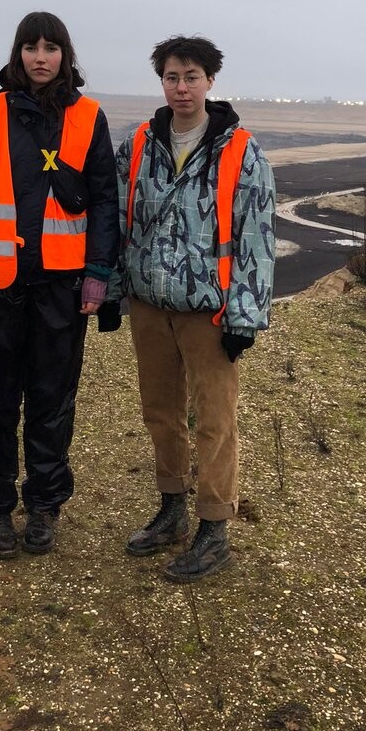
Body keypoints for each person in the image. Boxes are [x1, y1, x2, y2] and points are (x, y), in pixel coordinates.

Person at [0, 12, 118, 559]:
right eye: (30, 47)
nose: (40, 58)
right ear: (17, 53)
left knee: (52, 402)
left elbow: (105, 201)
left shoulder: (88, 118)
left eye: (51, 47)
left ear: (65, 55)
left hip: (60, 289)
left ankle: (44, 507)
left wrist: (98, 274)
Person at [106, 35, 275, 582]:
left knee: (215, 422)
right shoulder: (138, 145)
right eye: (172, 77)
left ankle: (214, 529)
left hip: (210, 312)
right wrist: (112, 291)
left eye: (192, 77)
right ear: (161, 81)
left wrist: (244, 317)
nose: (182, 88)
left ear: (210, 81)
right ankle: (172, 509)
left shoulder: (241, 151)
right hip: (149, 305)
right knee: (161, 413)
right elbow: (118, 221)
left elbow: (256, 237)